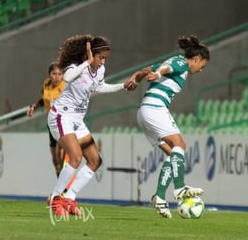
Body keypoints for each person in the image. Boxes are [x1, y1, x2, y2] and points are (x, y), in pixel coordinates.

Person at [124, 35, 210, 219]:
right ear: (196, 59)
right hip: (155, 108)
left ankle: (160, 197)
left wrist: (137, 78)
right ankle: (180, 188)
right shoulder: (182, 63)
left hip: (144, 112)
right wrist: (159, 73)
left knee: (173, 155)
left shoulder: (176, 61)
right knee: (181, 145)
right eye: (202, 65)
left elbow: (149, 69)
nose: (200, 69)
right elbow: (168, 68)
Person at [48, 35, 127, 216]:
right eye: (101, 57)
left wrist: (122, 86)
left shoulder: (100, 70)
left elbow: (99, 87)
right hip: (62, 116)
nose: (102, 62)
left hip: (77, 120)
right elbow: (66, 77)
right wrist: (87, 61)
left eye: (105, 58)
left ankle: (70, 198)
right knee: (75, 157)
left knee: (94, 160)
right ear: (91, 54)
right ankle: (55, 199)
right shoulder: (76, 67)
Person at [27, 62, 66, 178]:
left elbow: (50, 96)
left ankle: (63, 178)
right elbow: (44, 100)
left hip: (63, 121)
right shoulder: (46, 84)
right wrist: (33, 107)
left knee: (60, 150)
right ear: (49, 75)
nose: (57, 76)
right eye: (54, 73)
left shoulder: (64, 86)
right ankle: (59, 172)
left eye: (60, 74)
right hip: (51, 121)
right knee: (54, 157)